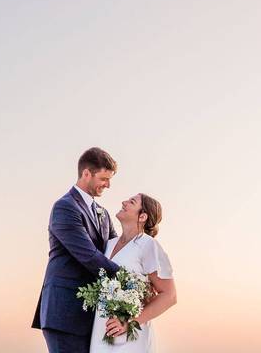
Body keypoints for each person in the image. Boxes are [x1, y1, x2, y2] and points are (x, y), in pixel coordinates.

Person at [33, 148, 120, 353]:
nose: (108, 185)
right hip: (65, 312)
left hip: (91, 315)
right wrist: (127, 278)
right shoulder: (65, 207)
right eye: (104, 178)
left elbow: (116, 249)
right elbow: (88, 255)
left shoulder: (103, 214)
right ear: (86, 173)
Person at [91, 193, 176, 352]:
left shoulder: (147, 245)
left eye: (131, 202)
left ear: (142, 216)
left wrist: (129, 322)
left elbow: (169, 295)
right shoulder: (108, 244)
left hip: (130, 337)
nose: (124, 202)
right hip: (101, 329)